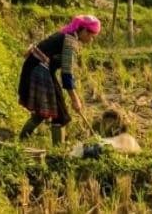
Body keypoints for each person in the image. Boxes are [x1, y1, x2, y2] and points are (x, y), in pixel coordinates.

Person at [17, 15, 101, 146]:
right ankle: (57, 151)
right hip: (39, 71)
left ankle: (21, 140)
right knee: (60, 114)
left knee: (46, 111)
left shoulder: (65, 34)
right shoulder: (70, 42)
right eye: (92, 36)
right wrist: (75, 99)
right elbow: (66, 73)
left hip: (36, 68)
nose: (92, 39)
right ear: (84, 31)